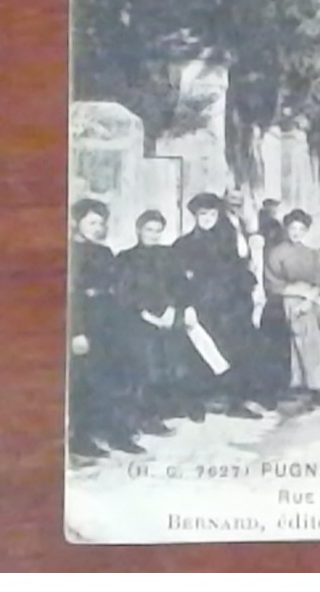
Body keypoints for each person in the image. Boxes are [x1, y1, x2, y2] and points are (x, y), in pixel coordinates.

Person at [172, 193, 265, 419]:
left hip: (230, 305)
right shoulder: (183, 244)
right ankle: (196, 403)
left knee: (236, 350)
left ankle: (235, 402)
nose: (207, 218)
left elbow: (243, 268)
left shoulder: (229, 240)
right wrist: (186, 307)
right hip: (202, 306)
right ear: (195, 216)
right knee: (198, 354)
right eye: (202, 214)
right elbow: (177, 281)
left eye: (212, 214)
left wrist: (248, 294)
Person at [69, 199, 144, 458]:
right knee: (85, 383)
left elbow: (119, 286)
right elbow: (72, 296)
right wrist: (77, 331)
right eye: (92, 222)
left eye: (101, 223)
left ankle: (118, 434)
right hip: (86, 322)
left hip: (111, 321)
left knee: (116, 378)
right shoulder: (71, 252)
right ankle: (82, 439)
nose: (98, 228)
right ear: (76, 223)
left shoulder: (104, 252)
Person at [115, 210, 192, 430]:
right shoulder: (125, 257)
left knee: (171, 361)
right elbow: (124, 293)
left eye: (158, 231)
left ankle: (166, 406)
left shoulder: (168, 255)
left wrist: (172, 309)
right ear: (139, 230)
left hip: (166, 316)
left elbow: (180, 285)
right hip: (138, 318)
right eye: (149, 230)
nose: (153, 235)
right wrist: (145, 313)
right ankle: (145, 417)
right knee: (146, 365)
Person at [264, 210, 320, 408]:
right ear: (286, 229)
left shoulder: (310, 253)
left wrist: (310, 298)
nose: (296, 233)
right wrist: (296, 294)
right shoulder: (276, 253)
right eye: (292, 228)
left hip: (309, 303)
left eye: (301, 229)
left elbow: (319, 280)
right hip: (286, 302)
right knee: (292, 344)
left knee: (314, 342)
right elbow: (272, 282)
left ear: (306, 231)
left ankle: (316, 387)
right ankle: (292, 386)